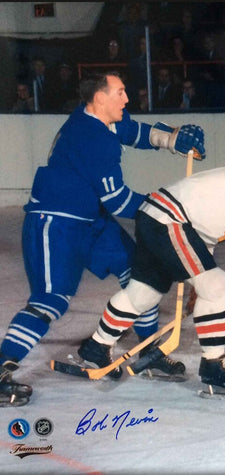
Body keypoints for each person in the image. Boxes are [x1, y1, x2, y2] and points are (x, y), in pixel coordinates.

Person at [0, 71, 206, 406]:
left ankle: (148, 351)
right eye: (121, 93)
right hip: (57, 224)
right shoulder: (92, 138)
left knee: (143, 273)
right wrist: (166, 209)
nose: (127, 99)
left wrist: (174, 137)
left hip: (91, 219)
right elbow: (120, 202)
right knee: (49, 302)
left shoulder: (99, 120)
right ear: (100, 98)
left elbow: (135, 131)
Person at [74, 149, 225, 399]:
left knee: (144, 293)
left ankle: (96, 347)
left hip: (156, 216)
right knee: (217, 284)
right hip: (170, 220)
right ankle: (213, 367)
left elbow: (205, 235)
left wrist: (203, 285)